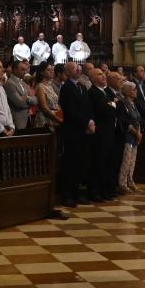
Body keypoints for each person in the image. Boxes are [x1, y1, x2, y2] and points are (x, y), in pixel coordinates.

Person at [58, 60, 94, 205]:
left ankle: (77, 193)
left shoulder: (82, 87)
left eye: (79, 68)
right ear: (67, 72)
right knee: (71, 164)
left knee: (81, 163)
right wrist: (86, 122)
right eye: (75, 68)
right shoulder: (66, 88)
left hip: (83, 131)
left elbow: (88, 107)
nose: (79, 70)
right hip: (72, 131)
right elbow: (71, 111)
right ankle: (67, 195)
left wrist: (91, 121)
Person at [88, 67, 118, 200]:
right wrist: (112, 105)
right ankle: (96, 192)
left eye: (104, 74)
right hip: (101, 134)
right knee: (98, 163)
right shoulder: (93, 93)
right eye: (100, 75)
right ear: (93, 79)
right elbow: (104, 110)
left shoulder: (107, 92)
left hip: (111, 132)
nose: (104, 76)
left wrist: (112, 104)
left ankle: (107, 189)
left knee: (108, 163)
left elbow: (116, 107)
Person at [116, 81, 143, 192]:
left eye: (136, 89)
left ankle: (130, 180)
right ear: (126, 92)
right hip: (127, 135)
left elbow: (137, 120)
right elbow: (125, 121)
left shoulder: (134, 103)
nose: (136, 91)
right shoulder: (122, 103)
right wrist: (136, 133)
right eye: (133, 89)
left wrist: (139, 133)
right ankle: (122, 183)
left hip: (135, 135)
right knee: (126, 161)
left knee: (132, 161)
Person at [4, 59, 34, 130]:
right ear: (14, 69)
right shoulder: (9, 83)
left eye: (25, 70)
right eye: (22, 69)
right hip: (18, 120)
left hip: (28, 118)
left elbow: (36, 100)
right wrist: (30, 101)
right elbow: (19, 103)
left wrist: (27, 98)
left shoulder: (23, 83)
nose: (25, 72)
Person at [35, 62, 62, 130]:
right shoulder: (40, 86)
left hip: (54, 117)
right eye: (48, 70)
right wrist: (57, 118)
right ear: (42, 72)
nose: (52, 71)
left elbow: (56, 104)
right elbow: (44, 108)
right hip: (45, 119)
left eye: (52, 69)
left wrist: (60, 116)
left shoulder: (49, 86)